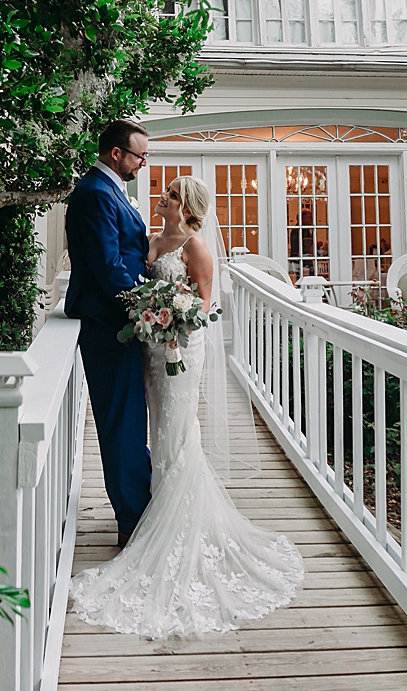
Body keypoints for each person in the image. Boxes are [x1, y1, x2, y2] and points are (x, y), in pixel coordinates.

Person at [70, 175, 303, 639]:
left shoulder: (196, 246)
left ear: (188, 204)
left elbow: (202, 307)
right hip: (150, 350)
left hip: (180, 350)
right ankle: (153, 515)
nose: (163, 196)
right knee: (155, 432)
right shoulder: (154, 240)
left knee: (177, 434)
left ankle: (176, 527)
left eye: (172, 194)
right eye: (166, 190)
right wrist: (150, 319)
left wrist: (173, 324)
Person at [64, 121, 155, 546]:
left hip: (120, 321)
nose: (142, 163)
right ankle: (131, 521)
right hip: (108, 325)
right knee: (120, 422)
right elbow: (108, 266)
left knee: (130, 420)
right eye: (139, 155)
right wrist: (148, 304)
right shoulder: (94, 194)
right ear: (116, 154)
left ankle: (138, 509)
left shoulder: (110, 190)